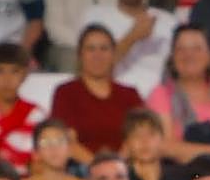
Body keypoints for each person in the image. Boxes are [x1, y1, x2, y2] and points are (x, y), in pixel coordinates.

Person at [145, 24, 210, 159]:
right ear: (172, 57)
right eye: (181, 49)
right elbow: (165, 146)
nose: (188, 55)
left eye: (197, 49)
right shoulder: (161, 95)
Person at [50, 25, 145, 159]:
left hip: (124, 168)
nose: (97, 55)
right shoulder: (66, 93)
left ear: (113, 54)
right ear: (80, 55)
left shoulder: (130, 94)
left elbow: (140, 136)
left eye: (104, 49)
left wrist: (117, 167)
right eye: (91, 49)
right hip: (81, 168)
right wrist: (97, 167)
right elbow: (66, 141)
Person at [80, 0, 177, 99]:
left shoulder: (169, 22)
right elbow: (90, 67)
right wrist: (132, 37)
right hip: (113, 98)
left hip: (161, 101)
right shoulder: (95, 16)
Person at [0, 43, 46, 174]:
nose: (7, 79)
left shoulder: (36, 115)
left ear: (25, 74)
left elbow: (42, 160)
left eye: (15, 71)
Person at [124, 108, 189, 180]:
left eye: (151, 134)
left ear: (162, 139)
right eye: (137, 135)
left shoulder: (181, 175)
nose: (144, 141)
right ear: (127, 143)